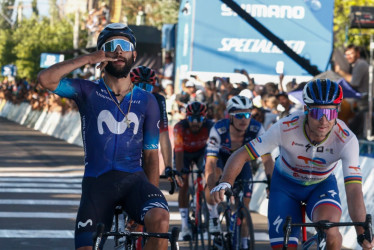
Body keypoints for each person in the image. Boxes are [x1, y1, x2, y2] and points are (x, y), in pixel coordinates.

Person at [37, 23, 170, 250]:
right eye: (111, 46)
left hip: (134, 181)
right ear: (102, 53)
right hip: (97, 183)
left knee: (160, 218)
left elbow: (150, 156)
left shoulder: (148, 101)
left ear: (134, 54)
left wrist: (149, 203)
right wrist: (87, 59)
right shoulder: (86, 91)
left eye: (125, 45)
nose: (118, 50)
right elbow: (46, 79)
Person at [211, 79, 374, 249]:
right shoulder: (285, 128)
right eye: (318, 113)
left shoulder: (346, 139)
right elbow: (242, 153)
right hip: (285, 186)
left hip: (321, 185)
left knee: (330, 230)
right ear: (305, 110)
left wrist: (361, 232)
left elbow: (354, 190)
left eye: (331, 113)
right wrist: (225, 181)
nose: (324, 121)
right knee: (285, 246)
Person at [204, 96, 274, 248]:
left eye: (248, 114)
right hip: (221, 161)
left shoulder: (257, 128)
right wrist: (212, 188)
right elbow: (210, 162)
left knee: (244, 207)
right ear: (230, 116)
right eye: (239, 115)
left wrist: (271, 183)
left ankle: (243, 243)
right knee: (215, 173)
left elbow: (267, 159)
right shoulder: (218, 129)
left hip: (243, 165)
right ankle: (214, 216)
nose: (244, 119)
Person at [173, 101, 214, 240]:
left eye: (199, 119)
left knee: (210, 177)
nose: (195, 123)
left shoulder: (210, 126)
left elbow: (214, 153)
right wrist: (180, 174)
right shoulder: (179, 127)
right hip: (184, 153)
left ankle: (206, 209)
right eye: (191, 119)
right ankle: (185, 226)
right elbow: (178, 153)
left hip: (202, 152)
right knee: (183, 185)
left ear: (205, 119)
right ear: (186, 118)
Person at [335, 44, 369, 138]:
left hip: (361, 100)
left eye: (351, 54)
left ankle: (341, 134)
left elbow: (354, 82)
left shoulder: (361, 64)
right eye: (347, 54)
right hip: (357, 100)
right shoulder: (356, 64)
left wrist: (340, 71)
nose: (348, 56)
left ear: (357, 53)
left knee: (339, 108)